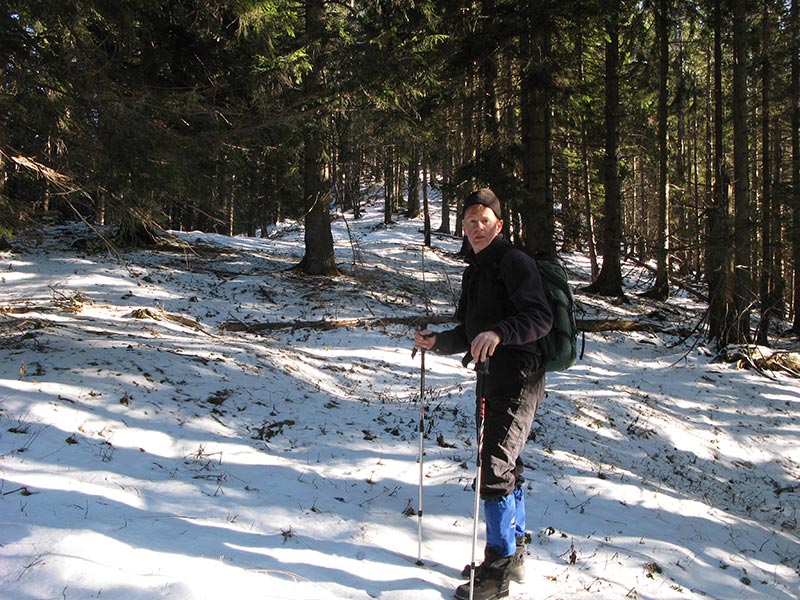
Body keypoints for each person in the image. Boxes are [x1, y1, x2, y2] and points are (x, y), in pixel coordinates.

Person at [413, 188, 552, 600]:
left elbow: (539, 318)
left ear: (499, 225)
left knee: (494, 466)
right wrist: (437, 341)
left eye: (483, 220)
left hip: (519, 376)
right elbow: (469, 333)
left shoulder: (515, 262)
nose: (475, 227)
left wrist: (501, 332)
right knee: (507, 461)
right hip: (490, 377)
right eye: (469, 221)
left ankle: (497, 570)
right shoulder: (474, 269)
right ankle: (515, 550)